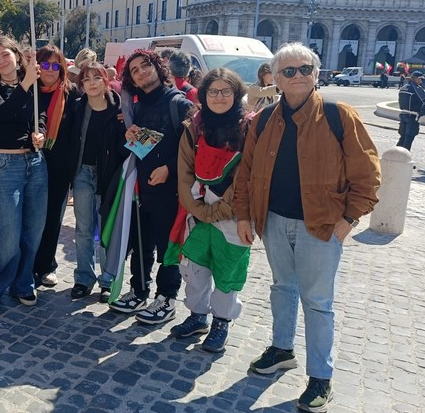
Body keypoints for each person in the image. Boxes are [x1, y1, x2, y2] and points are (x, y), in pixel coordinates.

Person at [234, 42, 380, 412]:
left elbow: (368, 173)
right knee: (282, 288)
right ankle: (282, 349)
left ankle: (320, 377)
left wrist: (348, 220)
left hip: (322, 225)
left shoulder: (338, 115)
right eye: (289, 71)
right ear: (276, 79)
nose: (298, 75)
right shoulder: (265, 120)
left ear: (316, 73)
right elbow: (246, 173)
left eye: (305, 69)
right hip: (275, 221)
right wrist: (243, 215)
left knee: (318, 302)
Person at [170, 68, 252, 353]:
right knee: (195, 268)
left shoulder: (249, 129)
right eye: (213, 91)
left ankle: (221, 322)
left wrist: (219, 210)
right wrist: (197, 208)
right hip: (197, 211)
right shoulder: (195, 126)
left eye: (225, 91)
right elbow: (185, 170)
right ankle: (197, 316)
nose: (219, 97)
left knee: (228, 271)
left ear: (236, 93)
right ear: (203, 95)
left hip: (231, 216)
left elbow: (247, 175)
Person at [109, 49, 193, 325]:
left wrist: (169, 168)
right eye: (134, 70)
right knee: (141, 243)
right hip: (142, 190)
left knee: (168, 246)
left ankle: (166, 298)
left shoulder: (178, 103)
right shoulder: (138, 107)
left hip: (170, 192)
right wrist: (131, 136)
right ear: (131, 79)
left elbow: (192, 149)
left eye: (145, 65)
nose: (141, 72)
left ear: (158, 67)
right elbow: (144, 149)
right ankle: (139, 290)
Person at [0, 36, 47, 310]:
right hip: (4, 165)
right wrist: (27, 82)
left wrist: (39, 131)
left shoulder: (32, 83)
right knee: (7, 232)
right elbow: (1, 114)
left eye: (5, 55)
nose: (2, 61)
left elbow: (37, 115)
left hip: (36, 163)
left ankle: (23, 282)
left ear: (16, 55)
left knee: (33, 229)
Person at [69, 61, 128, 300]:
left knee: (107, 228)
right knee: (83, 229)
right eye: (86, 79)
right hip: (82, 172)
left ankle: (108, 279)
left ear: (105, 81)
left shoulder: (120, 109)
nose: (91, 83)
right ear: (81, 84)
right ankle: (84, 278)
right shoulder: (76, 107)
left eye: (96, 78)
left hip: (109, 176)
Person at [33, 44, 78, 288]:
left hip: (59, 168)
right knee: (30, 218)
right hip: (30, 165)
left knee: (52, 219)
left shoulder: (71, 94)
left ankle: (47, 265)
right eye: (45, 64)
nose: (50, 70)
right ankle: (28, 265)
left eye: (55, 65)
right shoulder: (29, 90)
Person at [396, 71, 425, 150]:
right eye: (420, 79)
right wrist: (421, 113)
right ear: (416, 78)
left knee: (402, 138)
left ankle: (394, 155)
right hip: (413, 116)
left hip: (403, 114)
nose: (421, 81)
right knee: (408, 139)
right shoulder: (416, 89)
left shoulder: (403, 87)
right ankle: (404, 157)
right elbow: (423, 102)